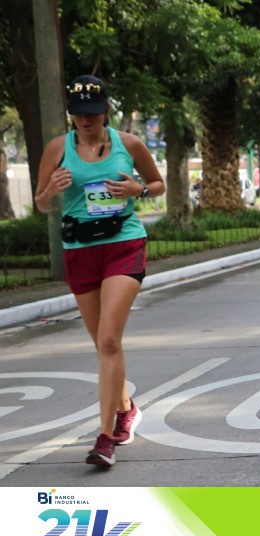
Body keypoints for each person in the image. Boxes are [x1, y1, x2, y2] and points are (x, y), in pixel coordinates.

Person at [34, 75, 164, 467]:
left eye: (92, 112)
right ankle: (126, 408)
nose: (85, 119)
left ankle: (104, 437)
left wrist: (138, 190)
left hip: (124, 243)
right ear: (70, 114)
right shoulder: (57, 149)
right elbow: (41, 204)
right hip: (80, 250)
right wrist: (51, 190)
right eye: (78, 113)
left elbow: (157, 184)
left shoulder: (129, 144)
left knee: (109, 339)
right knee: (103, 344)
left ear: (106, 109)